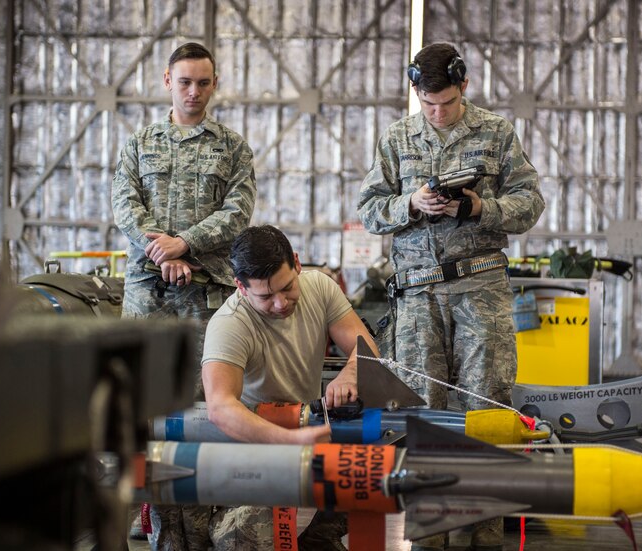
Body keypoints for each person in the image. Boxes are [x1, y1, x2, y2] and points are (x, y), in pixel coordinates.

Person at [356, 42, 545, 551]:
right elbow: (370, 209)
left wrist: (480, 207)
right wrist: (411, 203)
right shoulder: (397, 138)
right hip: (416, 295)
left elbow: (530, 204)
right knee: (421, 412)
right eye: (428, 103)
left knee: (487, 409)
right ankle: (429, 539)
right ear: (416, 94)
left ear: (464, 86)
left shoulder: (496, 132)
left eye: (446, 102)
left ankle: (484, 536)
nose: (437, 113)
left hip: (479, 286)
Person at [111, 42, 256, 551]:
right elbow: (125, 206)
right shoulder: (139, 144)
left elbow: (238, 213)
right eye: (185, 81)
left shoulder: (233, 148)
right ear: (166, 80)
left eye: (204, 82)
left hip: (205, 300)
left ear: (215, 84)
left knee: (198, 414)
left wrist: (186, 244)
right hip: (148, 298)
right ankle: (148, 525)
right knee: (141, 412)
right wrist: (163, 250)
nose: (194, 91)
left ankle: (192, 533)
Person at [201, 224, 379, 550]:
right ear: (241, 287)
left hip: (309, 443)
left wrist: (351, 373)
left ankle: (317, 537)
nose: (282, 303)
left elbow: (365, 349)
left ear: (297, 263)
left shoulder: (320, 287)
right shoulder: (229, 324)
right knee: (241, 536)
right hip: (257, 454)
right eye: (266, 296)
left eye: (287, 287)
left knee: (369, 474)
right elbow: (220, 408)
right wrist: (290, 440)